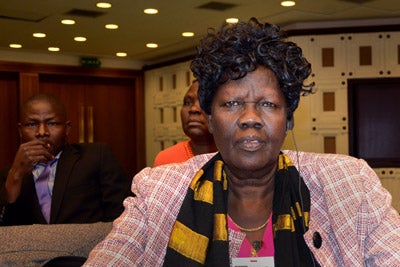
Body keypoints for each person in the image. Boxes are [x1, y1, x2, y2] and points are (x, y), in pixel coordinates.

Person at [84, 18, 400, 266]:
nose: (250, 117)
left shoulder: (350, 184)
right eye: (232, 104)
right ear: (209, 118)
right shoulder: (158, 192)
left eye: (268, 104)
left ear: (287, 118)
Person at [0, 93, 131, 225]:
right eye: (31, 124)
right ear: (20, 131)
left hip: (90, 244)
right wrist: (15, 175)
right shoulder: (9, 176)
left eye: (52, 123)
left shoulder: (96, 156)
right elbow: (5, 228)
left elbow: (122, 214)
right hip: (33, 246)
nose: (42, 132)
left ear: (67, 129)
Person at [153, 80, 217, 166]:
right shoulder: (166, 159)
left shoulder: (234, 157)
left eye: (204, 103)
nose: (193, 109)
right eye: (188, 103)